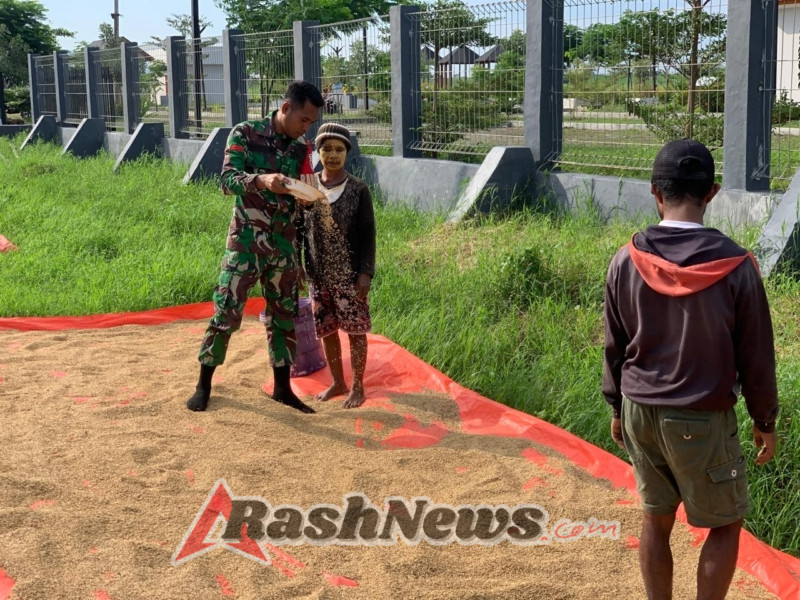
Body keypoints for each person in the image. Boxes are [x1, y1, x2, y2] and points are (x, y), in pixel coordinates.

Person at [602, 139, 780, 600]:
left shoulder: (625, 259)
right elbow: (756, 353)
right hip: (700, 415)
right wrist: (765, 419)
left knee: (655, 520)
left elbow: (614, 345)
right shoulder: (738, 266)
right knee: (724, 524)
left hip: (639, 409)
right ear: (713, 191)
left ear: (655, 192)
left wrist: (616, 408)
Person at [186, 80, 325, 414]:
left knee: (283, 318)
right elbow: (225, 180)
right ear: (286, 107)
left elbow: (301, 193)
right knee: (226, 313)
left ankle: (282, 389)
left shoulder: (299, 148)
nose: (307, 128)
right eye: (304, 120)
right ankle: (203, 386)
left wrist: (309, 200)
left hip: (283, 248)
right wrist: (261, 180)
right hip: (245, 245)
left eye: (311, 122)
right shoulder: (246, 133)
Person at [297, 122, 376, 408]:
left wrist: (365, 273)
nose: (332, 155)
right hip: (318, 276)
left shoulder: (358, 189)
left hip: (350, 277)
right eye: (326, 149)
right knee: (327, 330)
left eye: (338, 149)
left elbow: (368, 234)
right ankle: (338, 381)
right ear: (317, 152)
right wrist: (297, 264)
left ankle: (357, 385)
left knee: (355, 331)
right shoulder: (307, 187)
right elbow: (297, 229)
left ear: (347, 153)